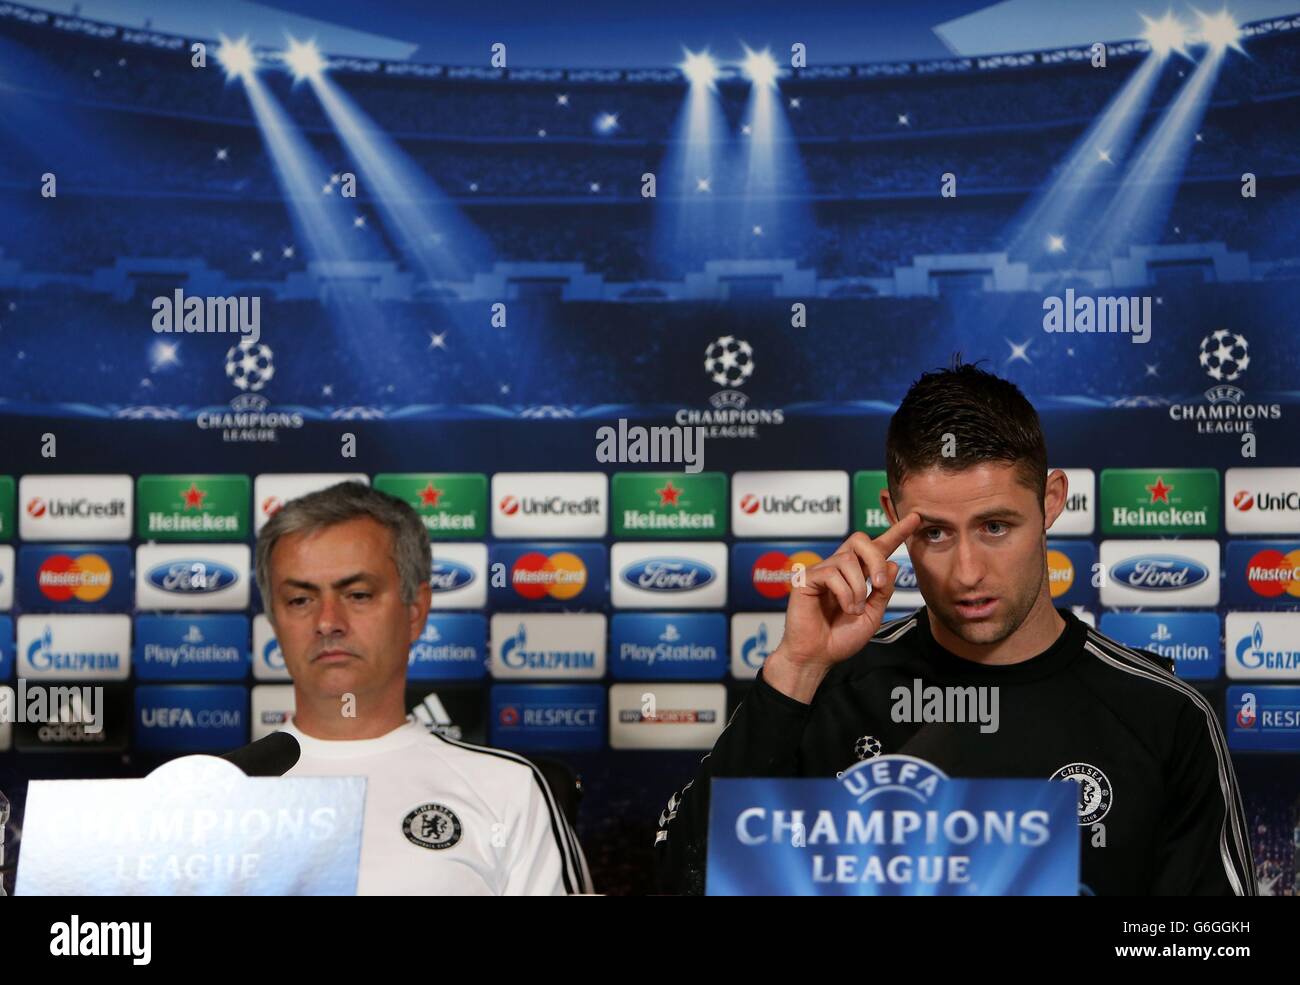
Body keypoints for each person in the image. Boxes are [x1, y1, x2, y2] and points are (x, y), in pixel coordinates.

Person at [655, 358, 1255, 896]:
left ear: (1050, 502)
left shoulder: (1163, 717)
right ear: (892, 517)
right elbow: (681, 883)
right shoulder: (822, 692)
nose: (967, 574)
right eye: (934, 533)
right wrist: (795, 670)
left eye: (996, 526)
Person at [228, 481, 591, 895]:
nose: (328, 622)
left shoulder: (510, 789)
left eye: (358, 594)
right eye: (300, 600)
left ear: (415, 611)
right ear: (274, 620)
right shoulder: (206, 796)